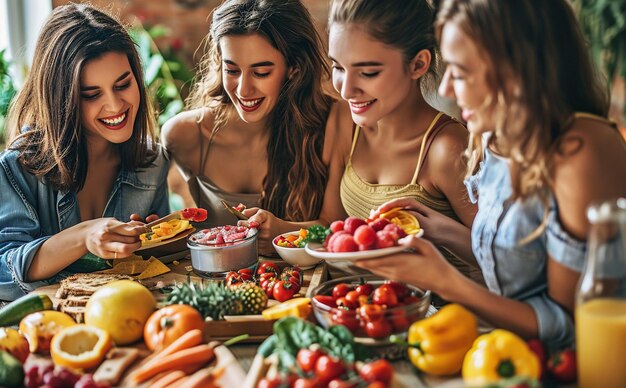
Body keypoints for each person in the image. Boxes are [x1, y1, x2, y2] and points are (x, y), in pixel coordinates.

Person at [359, 0, 626, 349]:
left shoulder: (581, 152)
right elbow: (517, 266)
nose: (446, 90)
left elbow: (569, 326)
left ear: (516, 69)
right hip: (511, 355)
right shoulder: (498, 134)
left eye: (461, 72)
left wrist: (445, 282)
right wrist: (438, 230)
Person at [248, 0, 480, 278]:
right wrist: (279, 227)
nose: (346, 90)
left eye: (368, 72)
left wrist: (439, 230)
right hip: (361, 304)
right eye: (338, 67)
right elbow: (332, 223)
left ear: (418, 64)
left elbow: (502, 261)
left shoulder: (447, 148)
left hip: (445, 314)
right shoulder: (346, 120)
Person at [0, 4, 170, 300]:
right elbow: (4, 272)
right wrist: (84, 237)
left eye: (123, 84)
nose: (116, 106)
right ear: (60, 99)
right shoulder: (17, 168)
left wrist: (149, 241)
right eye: (91, 95)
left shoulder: (151, 163)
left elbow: (165, 263)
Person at [161, 0, 349, 245]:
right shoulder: (184, 134)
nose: (243, 89)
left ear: (294, 68)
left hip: (304, 281)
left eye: (261, 73)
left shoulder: (332, 122)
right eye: (232, 70)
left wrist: (285, 229)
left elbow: (337, 228)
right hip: (213, 281)